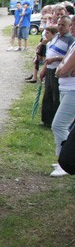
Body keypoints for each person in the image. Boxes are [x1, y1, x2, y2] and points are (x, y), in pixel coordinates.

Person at [49, 27, 75, 177]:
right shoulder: (73, 44)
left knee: (59, 124)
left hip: (72, 90)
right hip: (66, 88)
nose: (72, 28)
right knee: (64, 125)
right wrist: (63, 69)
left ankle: (65, 162)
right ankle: (62, 159)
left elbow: (64, 70)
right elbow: (63, 67)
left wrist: (63, 70)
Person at [40, 17, 74, 127]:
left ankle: (56, 120)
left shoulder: (70, 40)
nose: (60, 27)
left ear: (69, 26)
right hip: (50, 68)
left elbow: (68, 57)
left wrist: (55, 58)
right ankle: (46, 120)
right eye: (59, 24)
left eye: (63, 25)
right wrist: (44, 69)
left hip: (59, 70)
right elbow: (50, 51)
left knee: (56, 96)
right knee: (48, 95)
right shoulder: (56, 37)